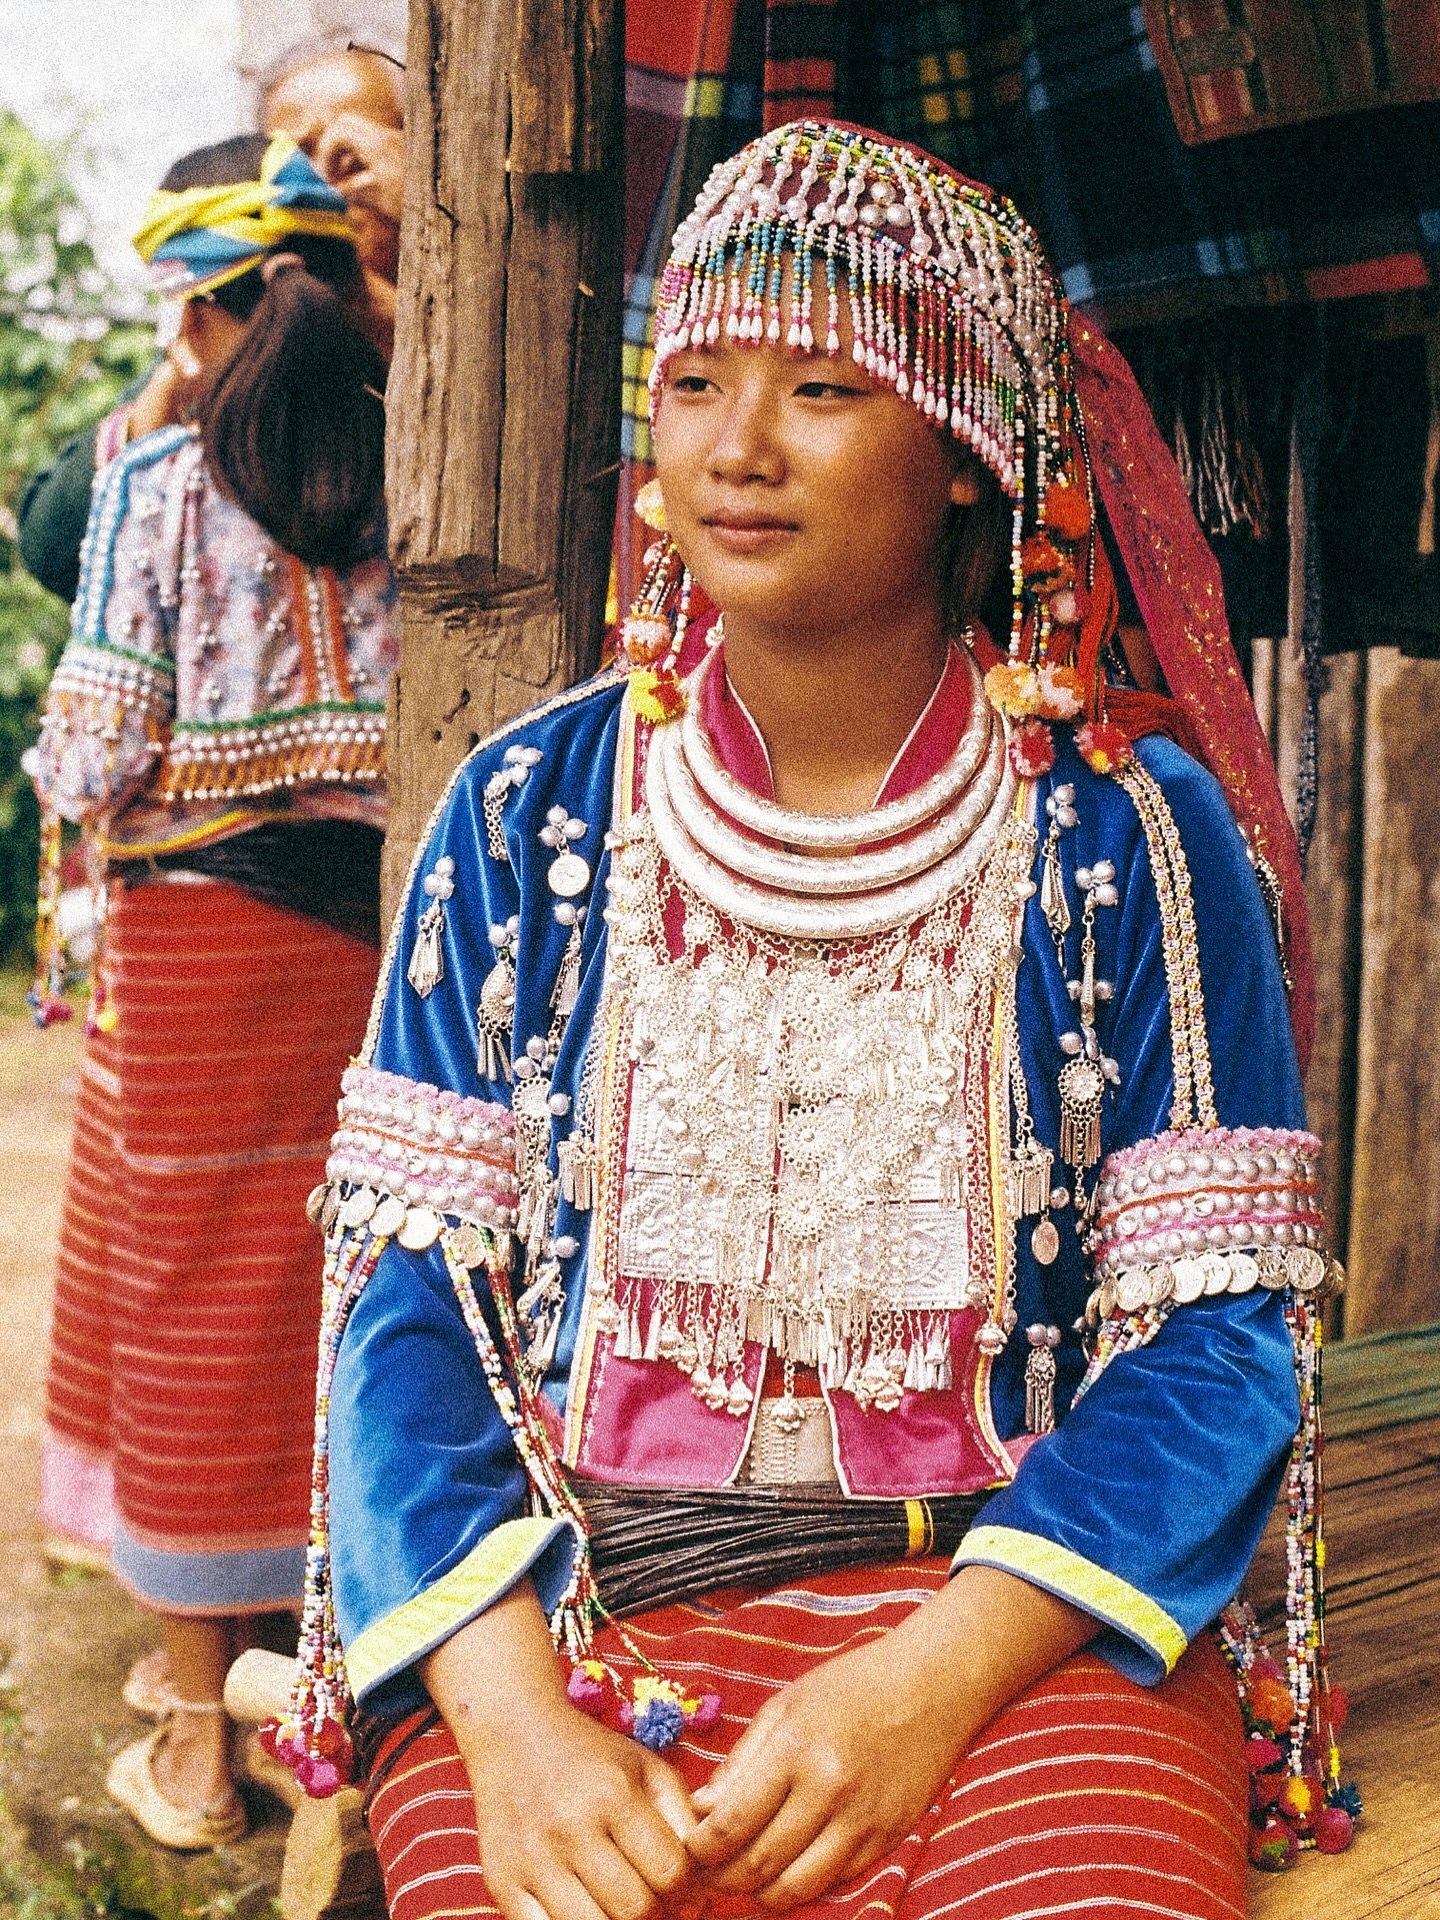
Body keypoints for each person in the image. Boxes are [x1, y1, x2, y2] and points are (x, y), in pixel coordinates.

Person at [271, 121, 1348, 1917]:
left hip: (1016, 1634)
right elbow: (410, 1313)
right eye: (695, 382)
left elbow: (1215, 1341)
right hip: (579, 1612)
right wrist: (513, 1724)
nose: (736, 448)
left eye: (825, 388)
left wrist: (924, 1688)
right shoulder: (528, 814)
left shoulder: (1129, 839)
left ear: (970, 451)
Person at [31, 131, 399, 1849]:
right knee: (340, 1298)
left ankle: (201, 1751)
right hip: (374, 938)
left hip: (200, 950)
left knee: (189, 1314)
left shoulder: (162, 483)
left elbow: (95, 751)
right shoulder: (415, 453)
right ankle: (335, 1689)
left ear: (202, 312)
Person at [16, 40, 404, 605]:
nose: (323, 187)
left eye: (356, 152)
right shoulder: (221, 336)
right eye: (297, 161)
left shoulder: (495, 315)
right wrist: (177, 386)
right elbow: (54, 547)